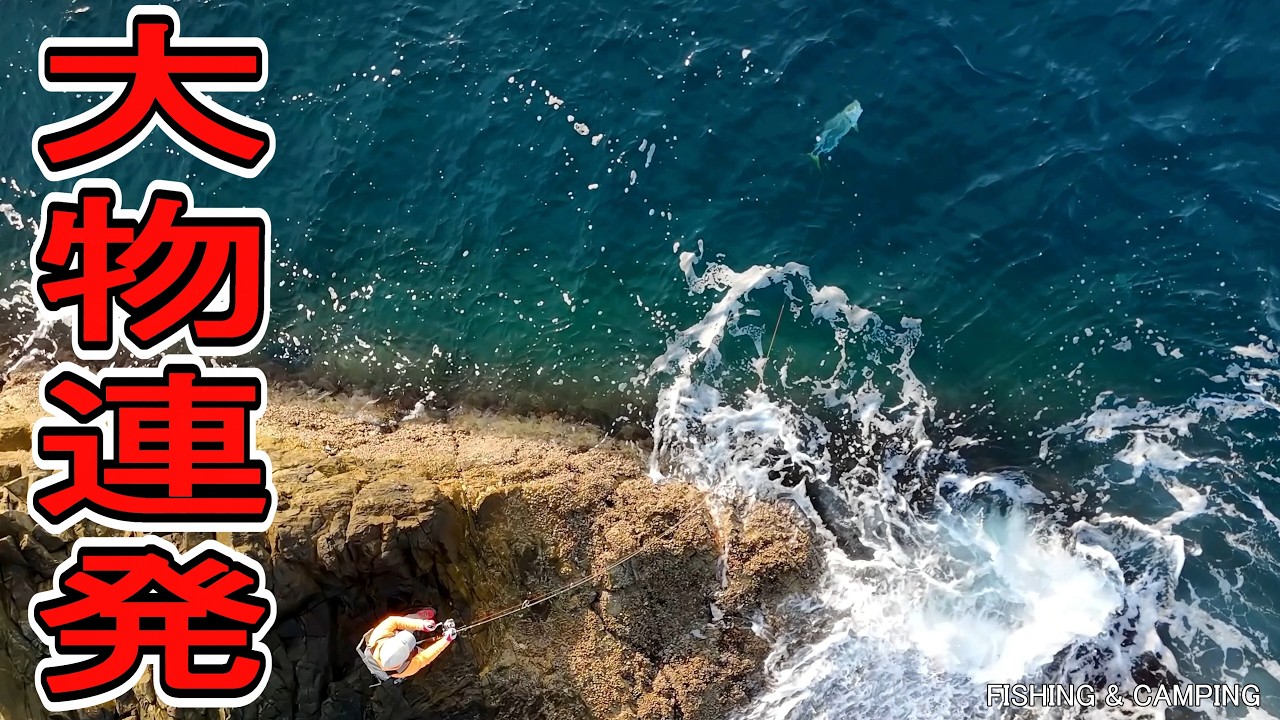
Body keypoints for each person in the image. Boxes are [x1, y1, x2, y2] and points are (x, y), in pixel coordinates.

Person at [357, 608, 457, 682]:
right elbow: (425, 658)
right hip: (400, 660)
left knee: (405, 621)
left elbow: (394, 621)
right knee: (426, 654)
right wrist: (445, 641)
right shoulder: (405, 670)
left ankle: (420, 616)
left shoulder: (377, 637)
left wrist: (421, 625)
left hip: (384, 649)